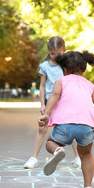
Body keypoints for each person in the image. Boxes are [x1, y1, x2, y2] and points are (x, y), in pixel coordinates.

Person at [38, 51, 94, 188]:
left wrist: (46, 114)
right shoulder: (90, 86)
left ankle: (58, 150)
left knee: (50, 143)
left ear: (64, 69)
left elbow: (54, 96)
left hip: (64, 125)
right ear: (84, 68)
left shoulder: (61, 81)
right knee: (85, 154)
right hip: (85, 127)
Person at [24, 36, 81, 169]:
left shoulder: (67, 65)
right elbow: (42, 86)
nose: (55, 56)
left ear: (64, 50)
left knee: (71, 130)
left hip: (65, 101)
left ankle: (78, 158)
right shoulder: (44, 66)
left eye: (58, 53)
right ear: (48, 51)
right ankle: (34, 158)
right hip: (49, 101)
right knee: (42, 129)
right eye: (52, 53)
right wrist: (42, 104)